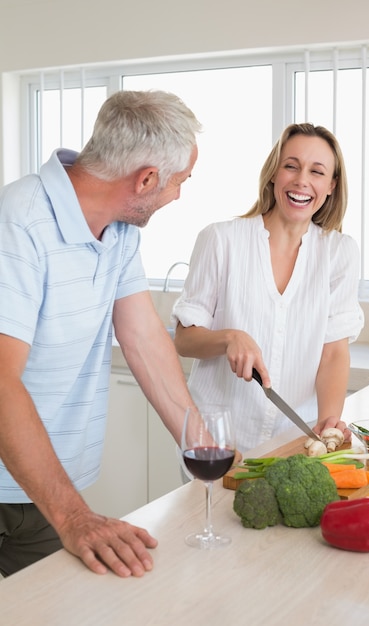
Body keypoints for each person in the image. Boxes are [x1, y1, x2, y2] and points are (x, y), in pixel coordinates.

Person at [0, 90, 201, 578]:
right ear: (147, 178)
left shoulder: (120, 231)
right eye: (180, 183)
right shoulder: (19, 219)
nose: (178, 196)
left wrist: (207, 452)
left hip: (39, 487)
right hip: (33, 493)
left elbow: (144, 339)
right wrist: (74, 517)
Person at [172, 123, 364, 454]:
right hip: (216, 439)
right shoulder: (221, 240)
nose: (302, 180)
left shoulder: (339, 253)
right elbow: (185, 340)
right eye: (291, 165)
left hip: (294, 441)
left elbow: (333, 352)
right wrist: (229, 337)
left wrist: (329, 423)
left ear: (331, 185)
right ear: (274, 173)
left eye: (317, 172)